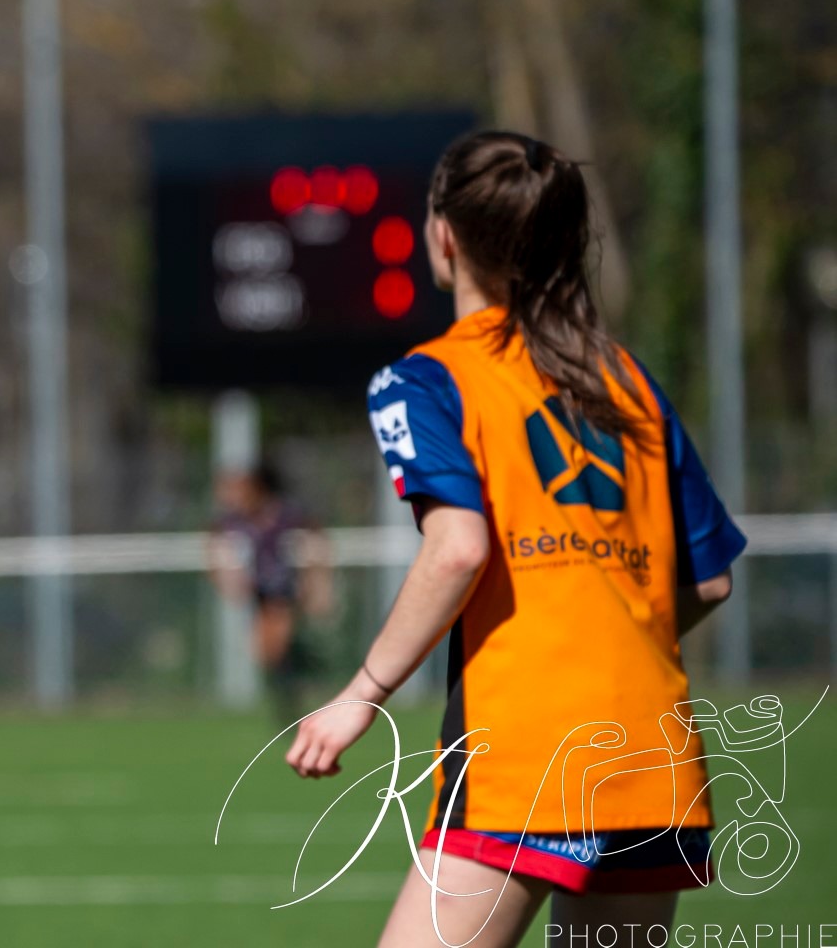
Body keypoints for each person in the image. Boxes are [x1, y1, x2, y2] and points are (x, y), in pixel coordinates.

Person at [285, 132, 745, 948]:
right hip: (653, 761)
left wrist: (359, 697)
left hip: (526, 758)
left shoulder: (425, 377)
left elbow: (458, 546)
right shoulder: (629, 381)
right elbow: (708, 583)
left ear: (442, 236)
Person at [207, 463, 332, 724]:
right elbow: (213, 544)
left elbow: (315, 532)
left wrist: (315, 579)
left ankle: (292, 697)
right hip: (258, 590)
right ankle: (302, 669)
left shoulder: (283, 514)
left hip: (283, 588)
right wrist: (226, 579)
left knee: (277, 644)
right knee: (264, 653)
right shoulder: (234, 520)